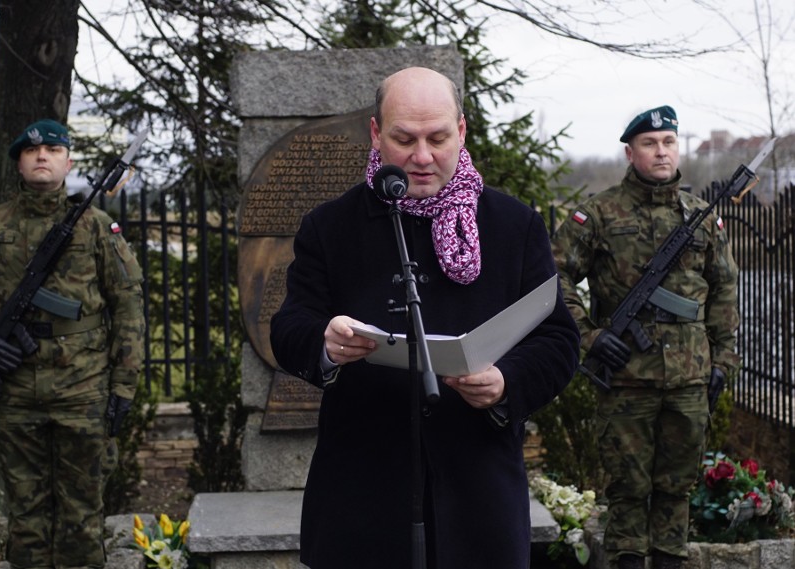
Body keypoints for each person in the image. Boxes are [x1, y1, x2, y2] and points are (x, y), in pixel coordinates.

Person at [269, 66, 580, 568]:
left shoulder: (513, 225)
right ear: (375, 133)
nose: (421, 156)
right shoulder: (330, 226)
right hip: (362, 494)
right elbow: (290, 326)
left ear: (461, 130)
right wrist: (324, 345)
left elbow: (558, 338)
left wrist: (506, 382)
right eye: (403, 139)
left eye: (437, 138)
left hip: (478, 495)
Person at [0, 119, 145, 569]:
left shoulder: (95, 226)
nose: (42, 156)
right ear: (18, 161)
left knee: (81, 519)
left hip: (83, 392)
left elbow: (128, 307)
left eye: (53, 150)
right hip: (15, 394)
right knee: (27, 522)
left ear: (67, 161)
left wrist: (124, 386)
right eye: (32, 150)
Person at [551, 105, 739, 569]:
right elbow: (551, 277)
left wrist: (723, 362)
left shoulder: (700, 217)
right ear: (630, 152)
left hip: (690, 379)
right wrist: (589, 337)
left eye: (668, 142)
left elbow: (724, 291)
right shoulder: (596, 214)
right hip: (626, 378)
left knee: (677, 488)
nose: (661, 152)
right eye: (650, 143)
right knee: (628, 491)